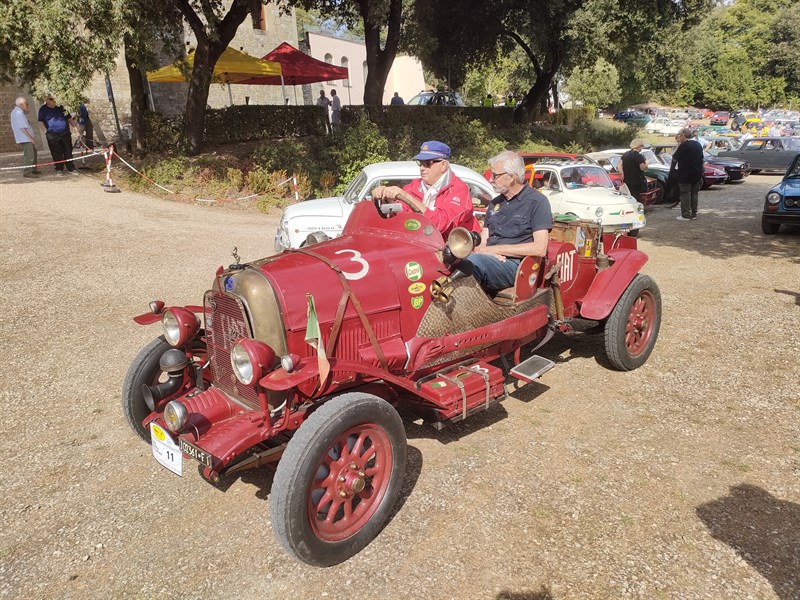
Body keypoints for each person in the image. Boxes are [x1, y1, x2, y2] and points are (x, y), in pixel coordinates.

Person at [464, 150, 552, 294]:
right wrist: (484, 251)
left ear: (511, 177)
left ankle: (466, 313)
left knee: (471, 264)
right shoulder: (494, 203)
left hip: (515, 266)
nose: (491, 180)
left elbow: (540, 248)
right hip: (489, 259)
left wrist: (493, 250)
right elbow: (483, 240)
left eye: (495, 175)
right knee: (449, 259)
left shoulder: (537, 202)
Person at [371, 140, 480, 237]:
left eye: (428, 163)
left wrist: (405, 196)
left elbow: (441, 224)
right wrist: (384, 198)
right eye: (421, 163)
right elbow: (400, 213)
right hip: (421, 244)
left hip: (454, 251)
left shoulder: (459, 189)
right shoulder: (414, 186)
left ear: (443, 166)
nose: (422, 168)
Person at [37, 95, 77, 175]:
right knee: (56, 152)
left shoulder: (61, 107)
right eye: (53, 100)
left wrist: (76, 129)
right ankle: (59, 169)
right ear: (48, 100)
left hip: (65, 133)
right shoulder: (43, 109)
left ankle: (71, 168)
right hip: (52, 134)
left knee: (68, 150)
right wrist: (46, 132)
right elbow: (40, 122)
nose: (55, 101)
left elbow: (69, 119)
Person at [671, 128, 704, 221]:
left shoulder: (684, 145)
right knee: (694, 194)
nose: (679, 137)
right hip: (697, 173)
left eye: (680, 135)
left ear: (684, 136)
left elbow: (675, 157)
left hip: (685, 174)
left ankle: (686, 214)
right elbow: (702, 158)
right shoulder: (698, 144)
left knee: (685, 193)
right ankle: (694, 214)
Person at [9, 97, 40, 178]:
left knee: (33, 152)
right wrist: (31, 138)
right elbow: (22, 128)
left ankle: (33, 169)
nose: (27, 105)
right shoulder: (18, 113)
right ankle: (27, 171)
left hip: (25, 138)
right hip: (25, 138)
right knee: (29, 155)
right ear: (21, 104)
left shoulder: (17, 112)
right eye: (26, 104)